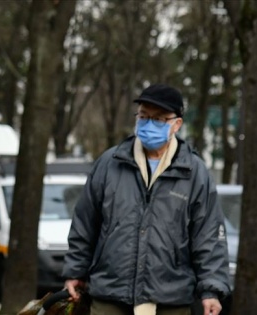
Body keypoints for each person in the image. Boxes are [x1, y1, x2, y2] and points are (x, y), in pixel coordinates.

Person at [62, 84, 231, 315]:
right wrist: (75, 271)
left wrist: (211, 290)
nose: (149, 124)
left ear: (176, 124)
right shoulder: (110, 164)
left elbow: (208, 236)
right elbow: (85, 223)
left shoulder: (194, 172)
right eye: (144, 116)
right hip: (110, 293)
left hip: (170, 297)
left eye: (159, 119)